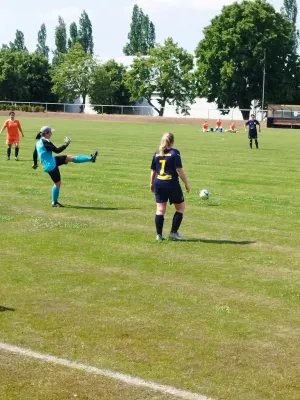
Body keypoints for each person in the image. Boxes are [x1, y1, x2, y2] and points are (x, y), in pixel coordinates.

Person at [35, 126, 98, 207]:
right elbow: (57, 150)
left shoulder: (39, 142)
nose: (52, 133)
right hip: (50, 166)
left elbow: (35, 153)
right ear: (46, 133)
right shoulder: (46, 142)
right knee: (57, 184)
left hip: (52, 160)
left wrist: (35, 163)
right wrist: (66, 144)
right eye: (50, 132)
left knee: (69, 158)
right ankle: (54, 202)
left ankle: (91, 158)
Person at [150, 132, 190, 241]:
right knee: (180, 208)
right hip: (171, 183)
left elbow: (153, 170)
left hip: (159, 183)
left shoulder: (157, 153)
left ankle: (159, 235)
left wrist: (151, 183)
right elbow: (179, 169)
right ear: (172, 141)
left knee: (160, 210)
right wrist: (186, 183)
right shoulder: (174, 152)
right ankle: (173, 233)